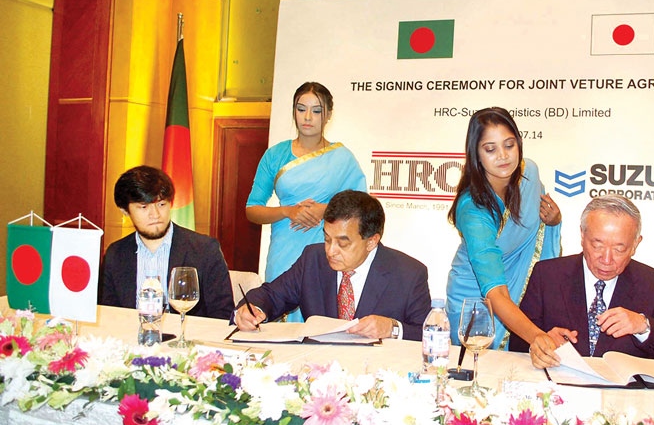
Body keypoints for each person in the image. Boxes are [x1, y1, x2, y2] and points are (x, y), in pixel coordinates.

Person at [510, 195, 654, 368]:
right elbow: (517, 344)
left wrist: (643, 326)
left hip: (626, 389)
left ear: (635, 244)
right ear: (582, 235)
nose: (606, 259)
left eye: (619, 249)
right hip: (561, 385)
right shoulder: (548, 275)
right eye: (597, 245)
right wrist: (541, 341)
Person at [235, 190, 431, 340]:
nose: (330, 251)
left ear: (371, 241)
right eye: (327, 239)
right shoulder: (313, 259)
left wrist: (392, 329)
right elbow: (271, 295)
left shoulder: (409, 274)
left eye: (342, 243)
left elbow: (428, 335)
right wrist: (251, 310)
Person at [246, 82, 367, 321]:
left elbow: (362, 208)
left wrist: (326, 210)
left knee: (320, 318)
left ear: (328, 114)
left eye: (316, 110)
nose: (308, 117)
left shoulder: (342, 157)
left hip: (327, 251)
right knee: (279, 311)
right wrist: (287, 211)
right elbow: (252, 209)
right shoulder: (275, 155)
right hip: (284, 249)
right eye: (301, 109)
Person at [446, 107, 562, 353]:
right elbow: (496, 292)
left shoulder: (529, 174)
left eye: (509, 145)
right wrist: (537, 336)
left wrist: (553, 221)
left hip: (517, 289)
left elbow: (536, 227)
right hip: (476, 298)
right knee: (481, 366)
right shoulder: (473, 210)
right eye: (490, 149)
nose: (503, 156)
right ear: (476, 154)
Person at [101, 166, 233, 319]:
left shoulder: (205, 250)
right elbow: (108, 314)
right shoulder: (115, 254)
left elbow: (223, 315)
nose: (155, 214)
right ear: (125, 211)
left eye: (161, 204)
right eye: (144, 207)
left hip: (188, 334)